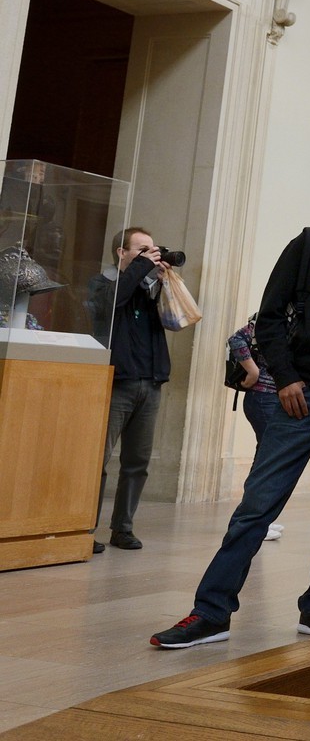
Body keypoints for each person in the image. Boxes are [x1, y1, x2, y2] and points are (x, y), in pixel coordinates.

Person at [151, 156, 310, 649]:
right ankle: (211, 613)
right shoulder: (309, 245)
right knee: (259, 504)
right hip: (303, 392)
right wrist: (287, 378)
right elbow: (269, 317)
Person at [88, 227, 182, 554]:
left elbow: (178, 317)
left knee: (137, 462)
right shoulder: (102, 283)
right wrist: (142, 268)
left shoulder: (148, 286)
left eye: (152, 249)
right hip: (117, 383)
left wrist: (162, 279)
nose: (150, 255)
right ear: (121, 252)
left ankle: (123, 528)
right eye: (142, 250)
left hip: (150, 383)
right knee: (98, 460)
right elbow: (111, 304)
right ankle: (84, 529)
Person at [225, 314, 284, 541]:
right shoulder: (274, 314)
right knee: (268, 461)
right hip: (263, 397)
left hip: (271, 398)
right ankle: (250, 521)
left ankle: (256, 518)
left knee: (265, 459)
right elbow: (236, 339)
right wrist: (253, 371)